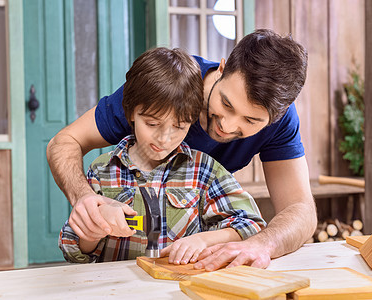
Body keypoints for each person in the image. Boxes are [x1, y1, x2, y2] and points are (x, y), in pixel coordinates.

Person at [47, 29, 317, 270]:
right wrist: (86, 201)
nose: (227, 125)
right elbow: (64, 142)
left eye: (250, 121)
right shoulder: (167, 90)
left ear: (276, 117)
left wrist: (262, 244)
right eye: (226, 104)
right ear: (222, 69)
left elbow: (301, 210)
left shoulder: (279, 122)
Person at [58, 47, 266, 264]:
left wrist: (204, 240)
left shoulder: (204, 171)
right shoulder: (103, 170)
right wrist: (96, 228)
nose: (164, 138)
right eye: (152, 124)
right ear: (130, 113)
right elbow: (73, 249)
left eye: (179, 126)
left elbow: (252, 225)